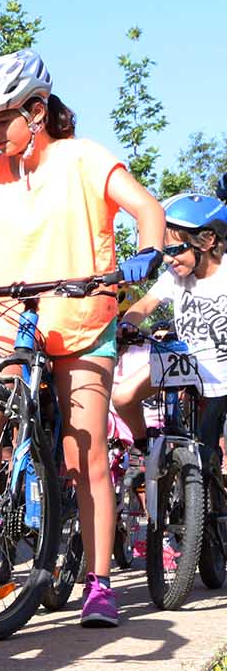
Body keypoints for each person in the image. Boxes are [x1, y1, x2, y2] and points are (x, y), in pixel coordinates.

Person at [0, 48, 166, 627]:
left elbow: (146, 210)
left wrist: (146, 254)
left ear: (37, 109)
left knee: (85, 459)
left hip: (82, 318)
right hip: (14, 314)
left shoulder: (83, 159)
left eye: (0, 121)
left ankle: (99, 583)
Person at [114, 193, 227, 477]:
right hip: (186, 363)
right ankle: (144, 446)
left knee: (214, 454)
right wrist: (129, 324)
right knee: (123, 396)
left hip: (223, 370)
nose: (168, 258)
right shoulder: (174, 277)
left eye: (175, 249)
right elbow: (144, 305)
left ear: (208, 240)